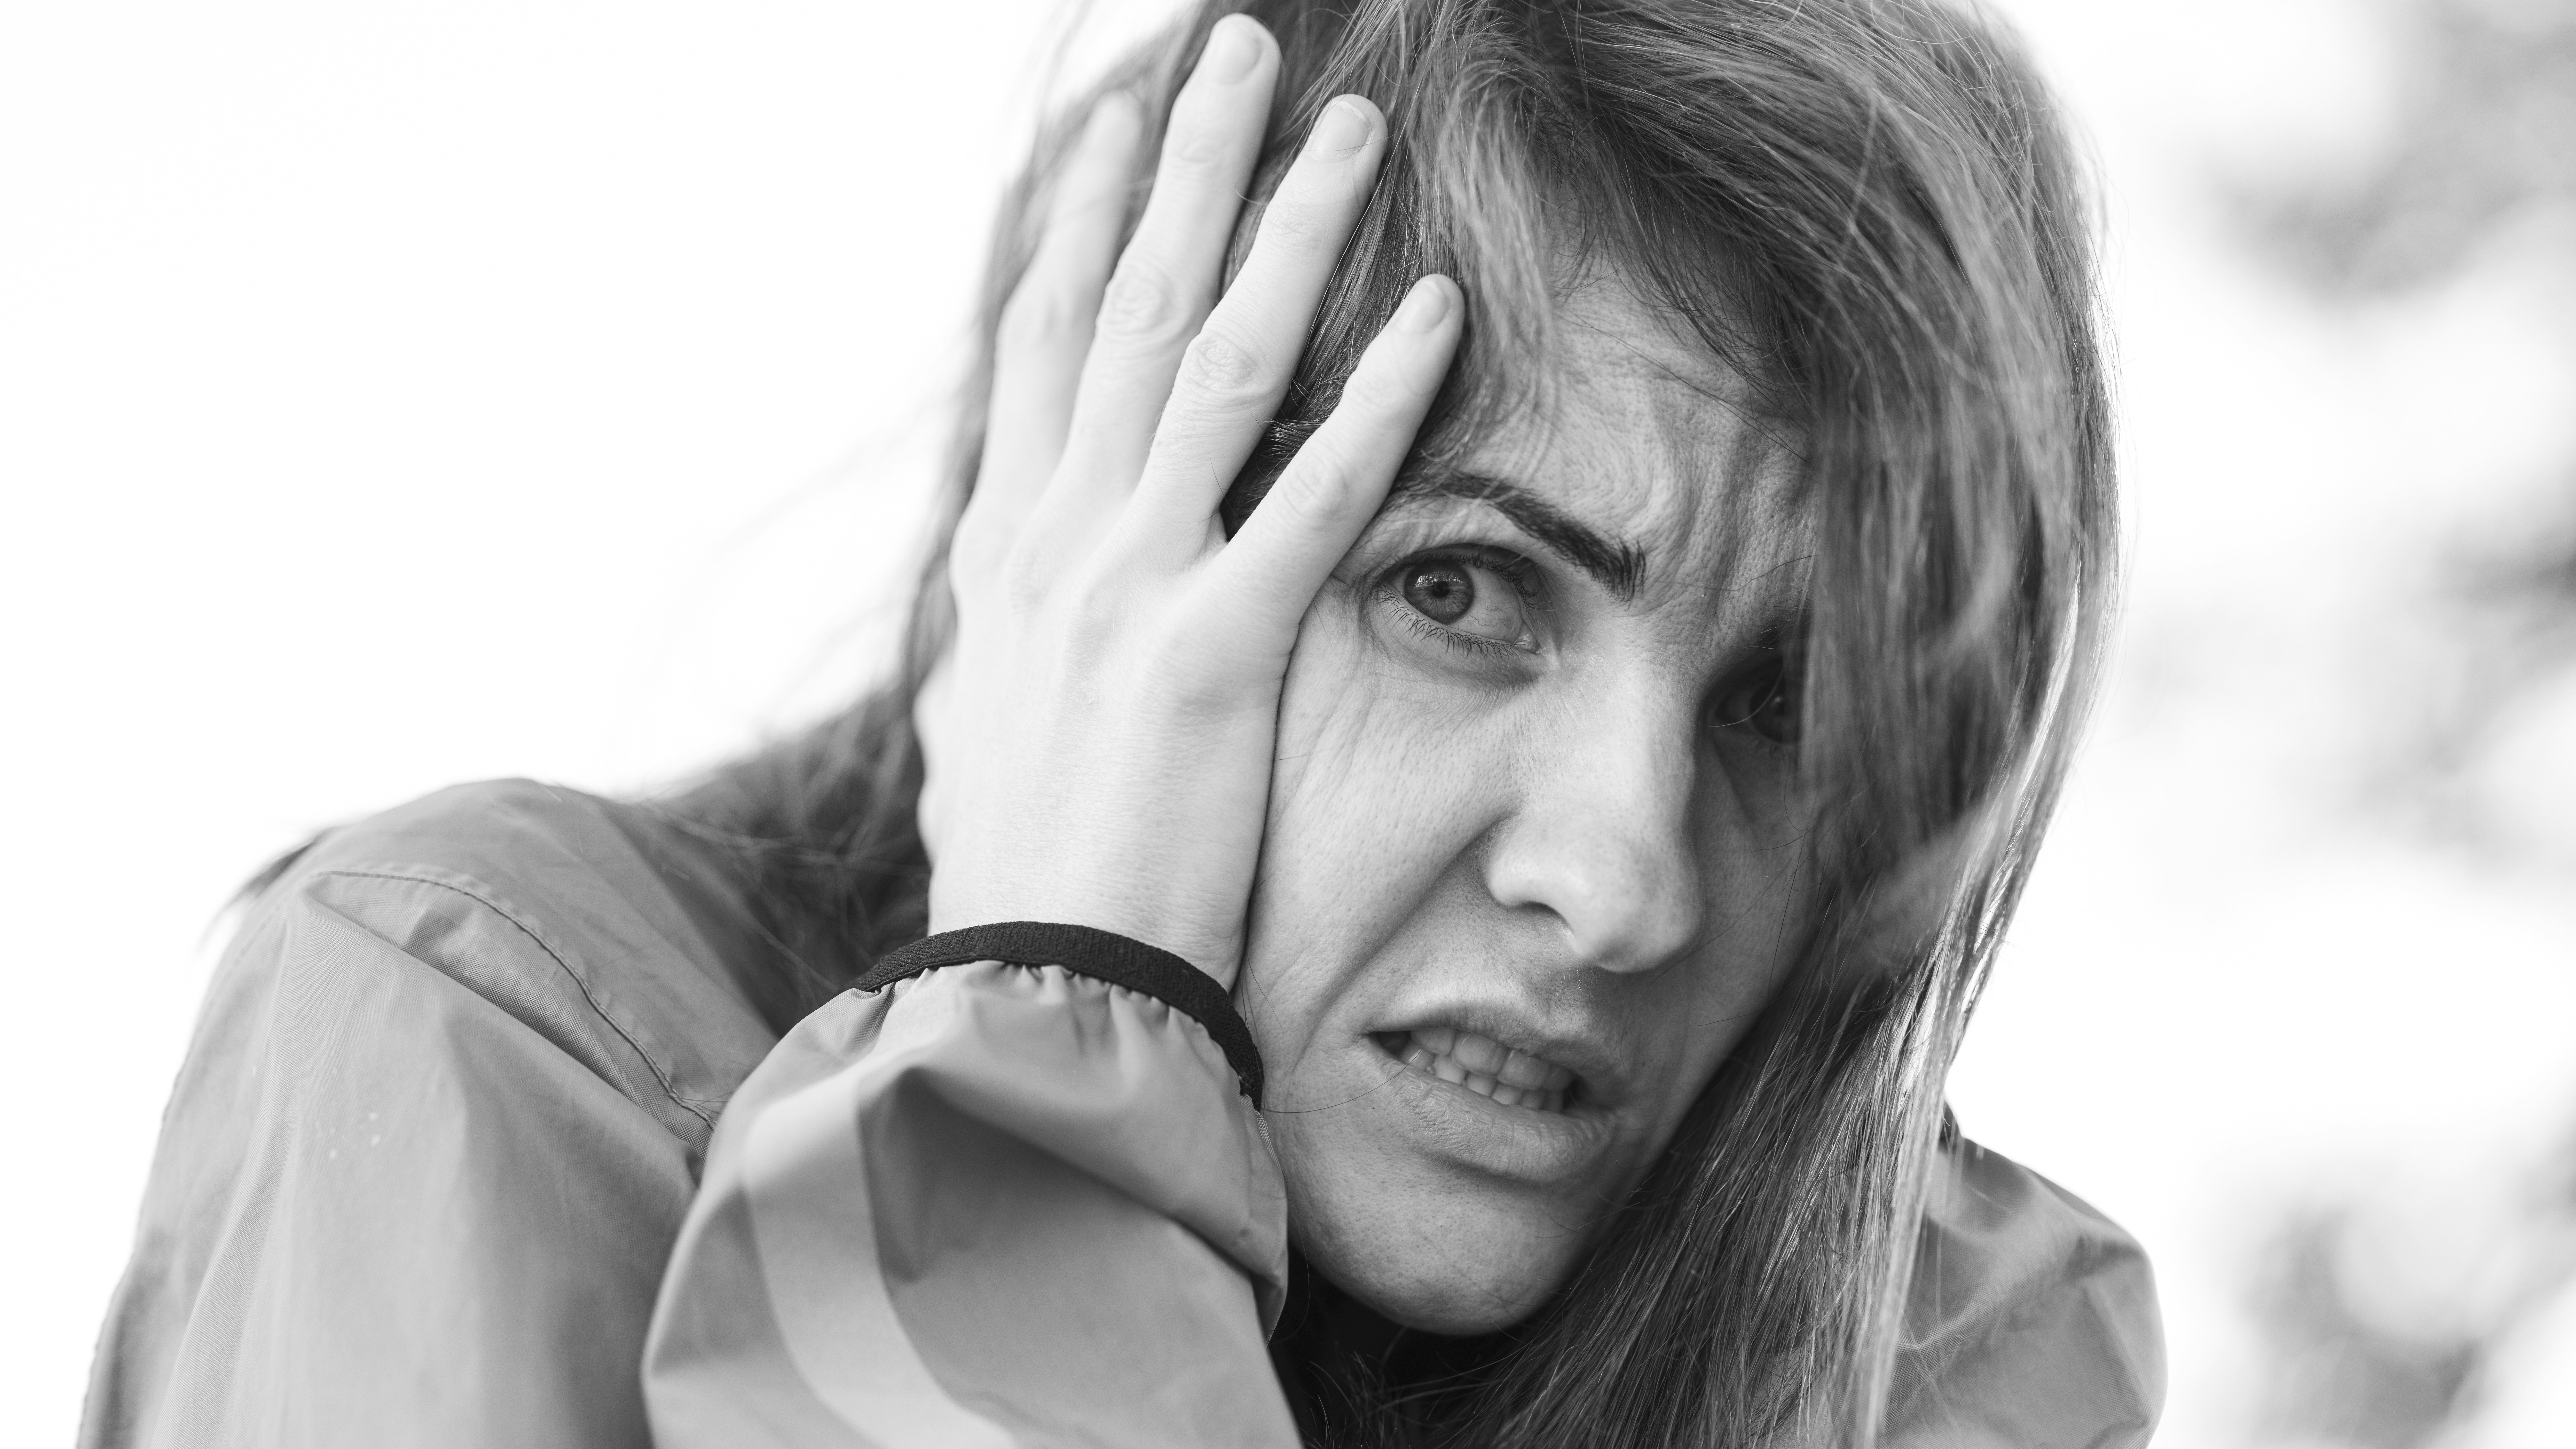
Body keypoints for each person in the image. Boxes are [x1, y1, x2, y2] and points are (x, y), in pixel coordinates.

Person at [80, 1, 2163, 1445]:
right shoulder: (502, 1030)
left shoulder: (1937, 1360)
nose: (1614, 875)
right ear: (1097, 544)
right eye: (1456, 590)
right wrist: (1048, 1058)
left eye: (1784, 703)